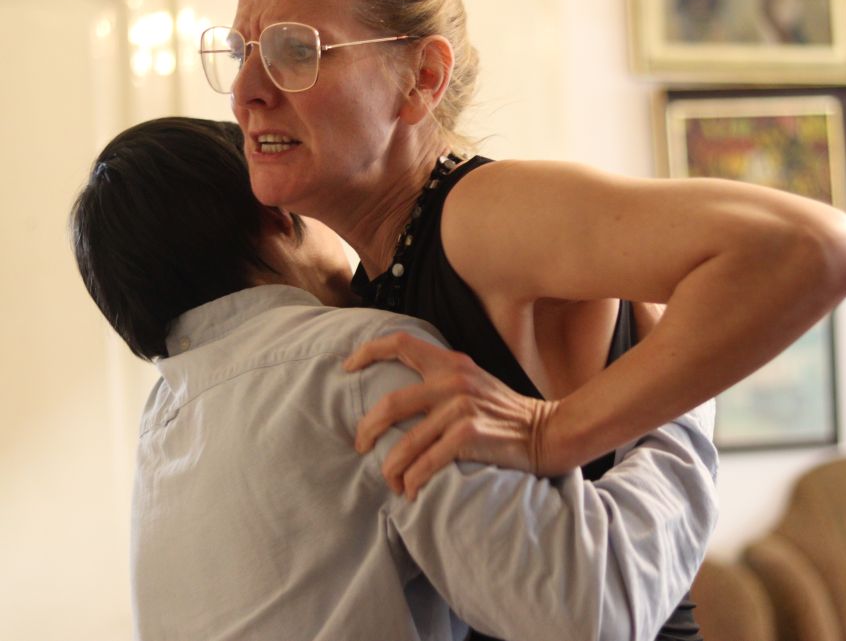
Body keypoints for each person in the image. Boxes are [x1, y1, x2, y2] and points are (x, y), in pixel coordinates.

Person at [200, 0, 846, 640]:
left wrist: (553, 431)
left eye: (296, 50)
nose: (246, 90)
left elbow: (813, 247)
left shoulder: (477, 214)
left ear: (421, 78)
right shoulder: (372, 276)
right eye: (241, 52)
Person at [69, 116, 719, 641]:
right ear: (277, 215)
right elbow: (588, 612)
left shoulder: (162, 429)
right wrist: (675, 398)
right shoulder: (361, 360)